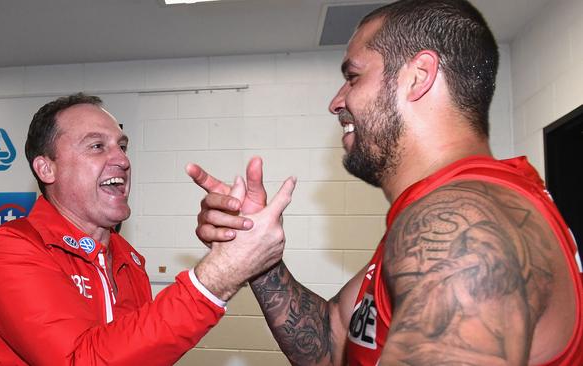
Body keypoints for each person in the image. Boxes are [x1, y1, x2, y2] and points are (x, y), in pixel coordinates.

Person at [187, 0, 583, 364]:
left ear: (418, 76)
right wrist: (259, 260)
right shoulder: (441, 214)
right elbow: (332, 340)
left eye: (353, 77)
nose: (337, 101)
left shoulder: (462, 228)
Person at [0, 93, 296, 365]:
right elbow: (80, 360)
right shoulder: (8, 251)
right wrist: (217, 276)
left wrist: (244, 235)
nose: (122, 159)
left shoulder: (128, 259)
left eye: (123, 145)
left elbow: (138, 354)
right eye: (97, 146)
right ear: (46, 168)